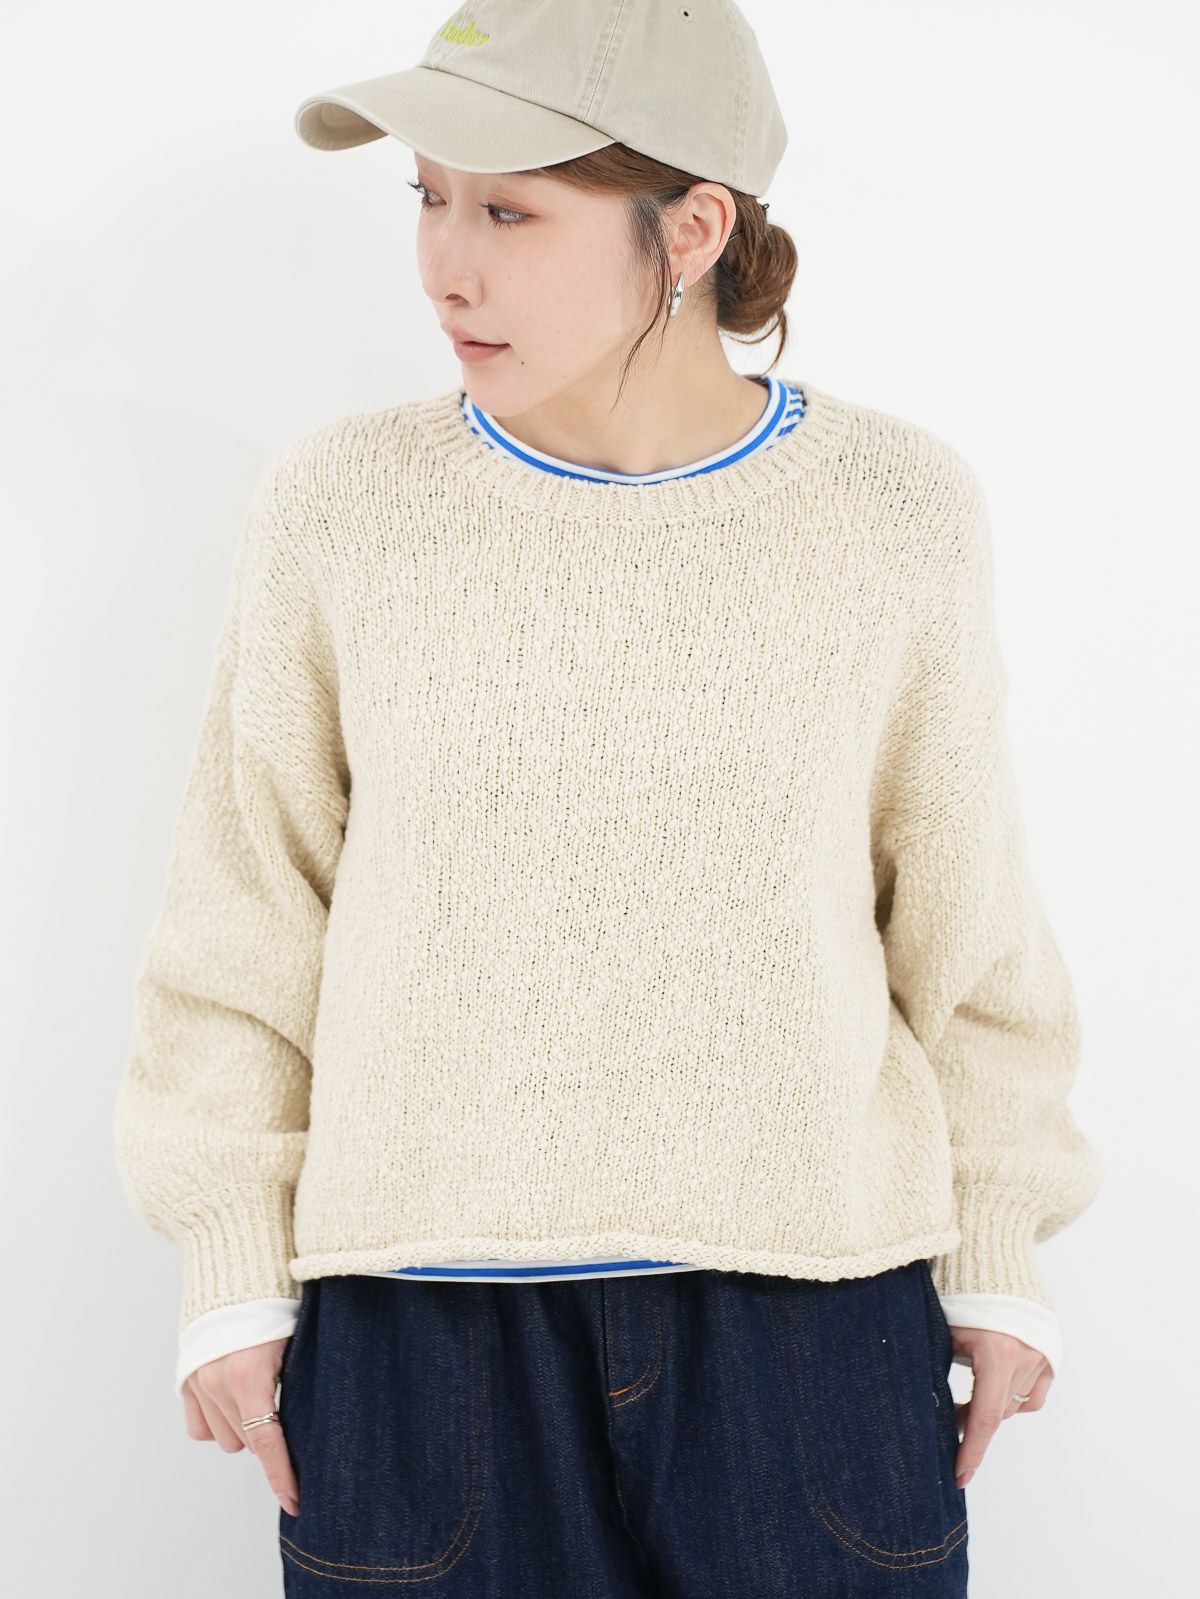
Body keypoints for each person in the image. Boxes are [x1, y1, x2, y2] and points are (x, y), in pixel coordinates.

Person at [113, 3, 1105, 1594]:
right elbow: (248, 908)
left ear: (692, 229)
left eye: (508, 212)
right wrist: (230, 1265)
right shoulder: (340, 509)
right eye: (428, 199)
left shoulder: (894, 512)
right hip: (423, 1339)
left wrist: (999, 1253)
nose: (445, 267)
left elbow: (966, 918)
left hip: (810, 1326)